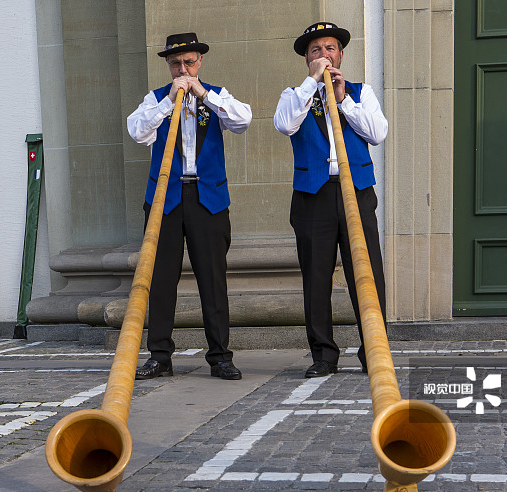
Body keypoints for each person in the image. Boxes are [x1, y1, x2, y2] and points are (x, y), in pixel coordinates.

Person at [127, 32, 252, 380]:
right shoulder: (155, 99)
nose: (183, 69)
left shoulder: (215, 95)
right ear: (168, 66)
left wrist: (203, 94)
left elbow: (242, 121)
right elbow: (137, 132)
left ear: (200, 62)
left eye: (189, 62)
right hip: (164, 199)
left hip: (207, 197)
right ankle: (160, 356)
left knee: (212, 280)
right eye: (176, 64)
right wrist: (169, 103)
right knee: (161, 280)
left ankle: (220, 356)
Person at [274, 22, 388, 378]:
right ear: (307, 60)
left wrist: (342, 100)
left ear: (341, 54)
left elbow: (378, 132)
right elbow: (285, 125)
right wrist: (313, 85)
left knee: (367, 273)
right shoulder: (293, 95)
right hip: (313, 195)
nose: (324, 55)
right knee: (316, 276)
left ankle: (374, 350)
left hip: (356, 189)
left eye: (330, 49)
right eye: (315, 51)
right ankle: (323, 354)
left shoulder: (360, 91)